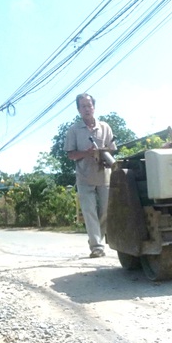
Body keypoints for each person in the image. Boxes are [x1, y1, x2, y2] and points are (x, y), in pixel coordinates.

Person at [64, 93, 117, 258]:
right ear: (79, 110)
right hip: (84, 177)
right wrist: (86, 153)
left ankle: (98, 241)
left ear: (94, 107)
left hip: (104, 176)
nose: (87, 109)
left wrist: (101, 152)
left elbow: (113, 149)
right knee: (89, 212)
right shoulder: (74, 130)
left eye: (89, 105)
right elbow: (70, 154)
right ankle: (97, 247)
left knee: (105, 212)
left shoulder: (105, 127)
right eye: (83, 106)